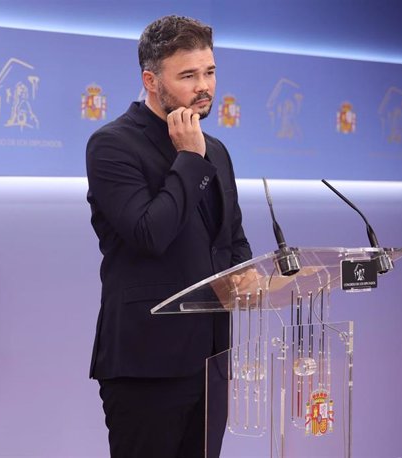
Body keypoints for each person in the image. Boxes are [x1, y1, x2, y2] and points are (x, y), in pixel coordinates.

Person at [85, 15, 252, 458]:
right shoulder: (112, 144)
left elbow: (231, 239)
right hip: (147, 363)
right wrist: (189, 160)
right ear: (151, 80)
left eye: (210, 72)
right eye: (188, 75)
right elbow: (149, 233)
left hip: (212, 359)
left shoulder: (216, 148)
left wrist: (248, 276)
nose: (205, 86)